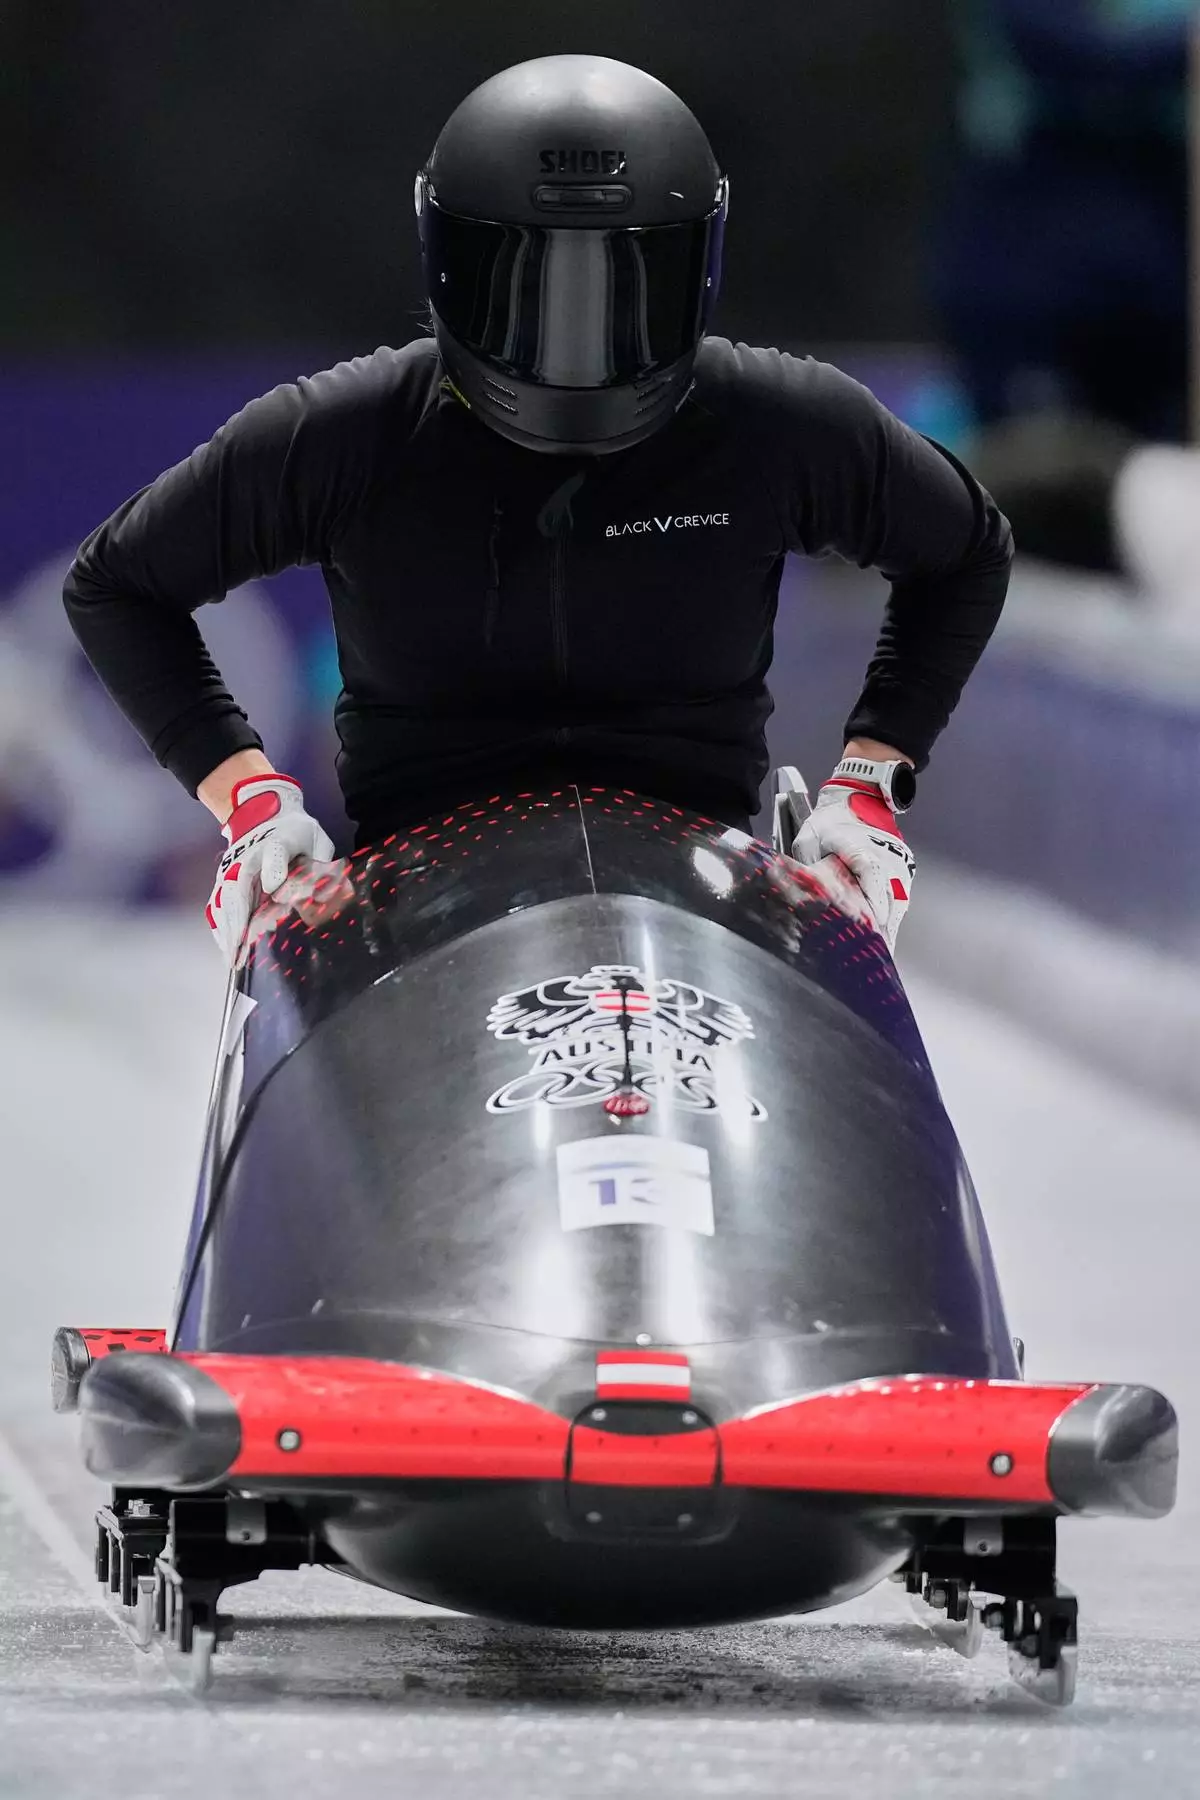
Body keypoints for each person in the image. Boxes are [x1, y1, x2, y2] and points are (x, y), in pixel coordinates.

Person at [64, 54, 1012, 965]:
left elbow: (963, 551)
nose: (576, 341)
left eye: (620, 285)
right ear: (450, 264)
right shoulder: (351, 434)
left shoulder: (770, 423)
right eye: (531, 284)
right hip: (413, 894)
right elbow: (117, 584)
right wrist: (250, 798)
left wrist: (870, 783)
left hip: (705, 902)